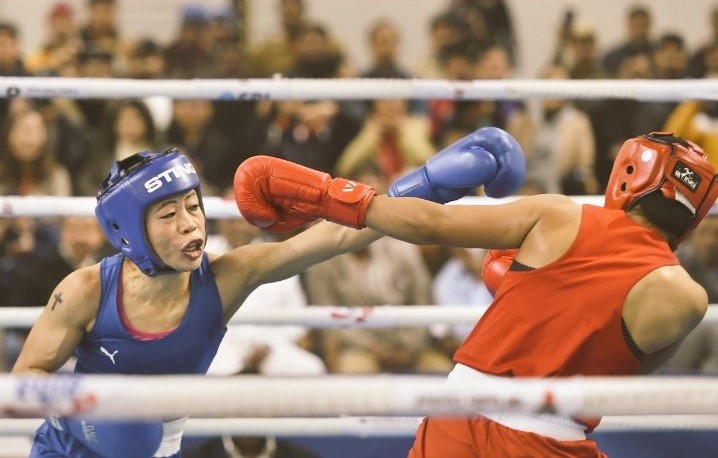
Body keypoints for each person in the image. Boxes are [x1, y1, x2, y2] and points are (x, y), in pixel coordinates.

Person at [12, 125, 525, 457]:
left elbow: (337, 234)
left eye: (194, 207)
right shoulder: (84, 291)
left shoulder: (226, 279)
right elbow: (24, 378)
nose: (192, 226)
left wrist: (431, 184)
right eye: (169, 215)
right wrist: (91, 415)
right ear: (128, 233)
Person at [234, 131, 718, 457]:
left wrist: (323, 193)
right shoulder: (688, 298)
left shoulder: (562, 216)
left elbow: (429, 223)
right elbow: (622, 366)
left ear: (631, 174)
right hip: (553, 438)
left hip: (457, 419)